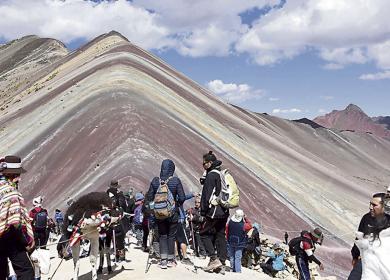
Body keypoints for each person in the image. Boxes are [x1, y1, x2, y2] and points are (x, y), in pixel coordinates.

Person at [0, 155, 35, 280]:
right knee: (25, 270)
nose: (19, 178)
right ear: (12, 175)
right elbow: (15, 222)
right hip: (9, 237)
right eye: (16, 174)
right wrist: (27, 241)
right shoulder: (11, 192)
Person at [147, 159, 186, 269]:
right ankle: (171, 260)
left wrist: (154, 209)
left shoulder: (155, 181)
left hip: (159, 214)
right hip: (172, 213)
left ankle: (163, 260)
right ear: (172, 169)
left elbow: (149, 197)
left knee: (162, 235)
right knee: (171, 236)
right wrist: (176, 204)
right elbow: (182, 197)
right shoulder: (175, 181)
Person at [200, 151, 229, 274]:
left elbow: (206, 195)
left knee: (203, 234)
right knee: (220, 234)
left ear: (210, 163)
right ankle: (222, 262)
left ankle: (213, 259)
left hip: (214, 210)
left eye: (204, 163)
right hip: (224, 210)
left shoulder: (212, 175)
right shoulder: (221, 173)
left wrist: (203, 211)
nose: (203, 165)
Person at [348, 192, 390, 280]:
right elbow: (359, 238)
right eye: (370, 204)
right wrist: (355, 256)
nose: (370, 207)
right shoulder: (367, 218)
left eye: (374, 205)